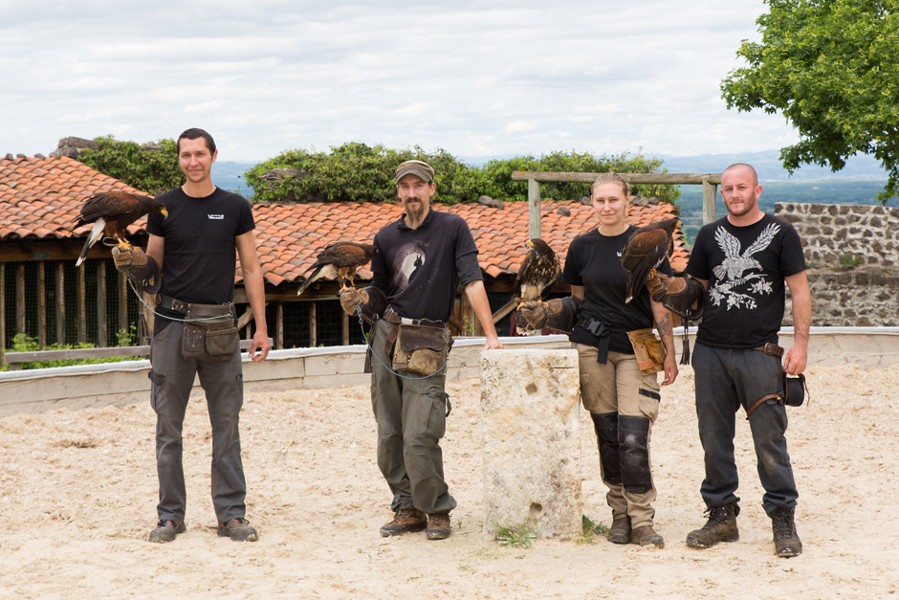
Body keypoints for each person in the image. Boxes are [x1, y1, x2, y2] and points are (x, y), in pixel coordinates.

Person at [112, 128, 271, 543]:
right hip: (171, 326)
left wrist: (261, 329)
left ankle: (231, 515)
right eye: (186, 155)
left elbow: (252, 269)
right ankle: (170, 516)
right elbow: (153, 268)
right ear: (179, 159)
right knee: (168, 427)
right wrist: (133, 263)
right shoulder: (162, 207)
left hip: (220, 326)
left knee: (227, 426)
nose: (193, 161)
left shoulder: (236, 206)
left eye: (200, 154)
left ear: (214, 156)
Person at [649, 162, 811, 558]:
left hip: (760, 352)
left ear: (757, 190)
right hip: (711, 352)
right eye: (728, 189)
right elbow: (698, 291)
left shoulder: (782, 234)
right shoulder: (708, 235)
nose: (734, 194)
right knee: (714, 438)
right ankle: (722, 515)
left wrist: (801, 345)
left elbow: (800, 291)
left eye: (741, 187)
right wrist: (670, 288)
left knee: (769, 439)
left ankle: (782, 518)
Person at [339, 159, 502, 540]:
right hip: (387, 336)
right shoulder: (386, 237)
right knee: (389, 434)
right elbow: (380, 292)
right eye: (405, 186)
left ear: (431, 189)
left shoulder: (452, 229)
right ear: (399, 192)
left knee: (420, 432)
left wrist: (491, 334)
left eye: (419, 185)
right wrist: (360, 300)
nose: (412, 193)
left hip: (428, 339)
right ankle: (406, 507)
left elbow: (473, 281)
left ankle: (437, 509)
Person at [519, 173, 678, 548]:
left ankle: (642, 520)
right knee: (608, 436)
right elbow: (580, 301)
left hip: (639, 347)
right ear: (592, 203)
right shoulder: (582, 246)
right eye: (600, 201)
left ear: (627, 201)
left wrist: (670, 352)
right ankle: (619, 516)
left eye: (613, 200)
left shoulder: (646, 243)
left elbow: (660, 301)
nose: (607, 207)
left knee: (633, 436)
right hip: (591, 349)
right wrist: (548, 311)